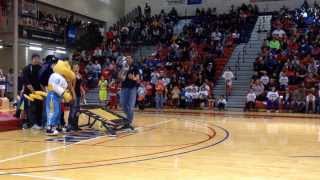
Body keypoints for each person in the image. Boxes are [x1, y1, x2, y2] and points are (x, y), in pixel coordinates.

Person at [22, 54, 43, 129]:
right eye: (36, 59)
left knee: (39, 108)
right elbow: (26, 81)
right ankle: (32, 124)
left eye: (38, 58)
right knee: (32, 108)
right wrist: (33, 91)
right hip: (30, 93)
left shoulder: (40, 68)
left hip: (39, 93)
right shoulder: (27, 68)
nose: (38, 60)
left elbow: (42, 81)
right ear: (32, 59)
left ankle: (39, 122)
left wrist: (43, 91)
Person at [120, 56, 139, 131]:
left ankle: (128, 123)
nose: (128, 59)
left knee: (131, 107)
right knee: (123, 104)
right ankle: (127, 120)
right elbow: (119, 77)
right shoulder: (123, 67)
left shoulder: (135, 67)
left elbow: (138, 78)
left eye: (129, 58)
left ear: (132, 59)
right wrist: (122, 76)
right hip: (124, 88)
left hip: (132, 89)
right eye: (127, 58)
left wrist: (133, 78)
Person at [67, 64, 84, 131]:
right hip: (73, 95)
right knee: (73, 110)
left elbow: (80, 85)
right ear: (72, 68)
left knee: (77, 111)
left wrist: (83, 91)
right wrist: (73, 95)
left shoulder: (79, 75)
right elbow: (70, 86)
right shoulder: (71, 75)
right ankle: (70, 126)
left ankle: (75, 125)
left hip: (79, 95)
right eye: (75, 67)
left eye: (77, 67)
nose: (76, 68)